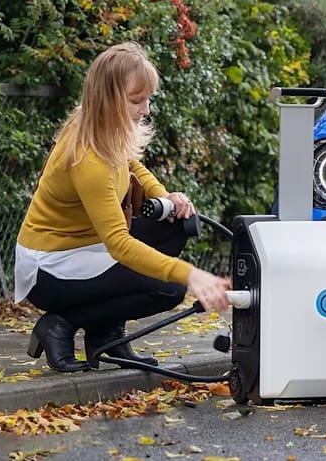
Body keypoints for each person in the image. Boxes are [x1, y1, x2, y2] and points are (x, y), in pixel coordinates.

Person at [14, 42, 231, 373]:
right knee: (168, 289)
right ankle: (60, 324)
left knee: (176, 224)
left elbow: (132, 166)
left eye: (147, 99)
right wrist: (191, 275)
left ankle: (106, 335)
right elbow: (119, 245)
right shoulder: (88, 158)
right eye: (136, 101)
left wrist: (166, 198)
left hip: (86, 248)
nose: (145, 109)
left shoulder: (101, 127)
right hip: (50, 267)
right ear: (108, 99)